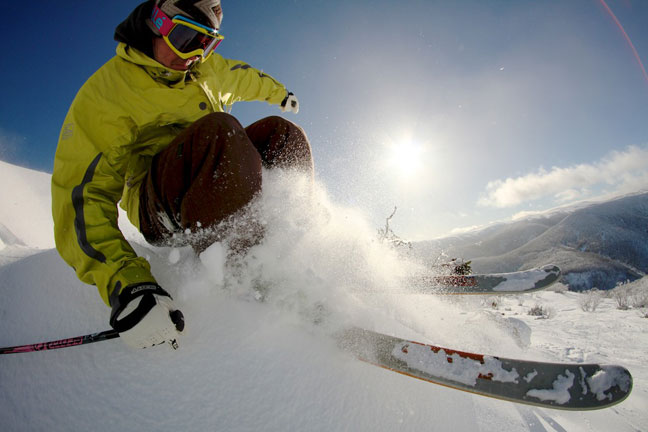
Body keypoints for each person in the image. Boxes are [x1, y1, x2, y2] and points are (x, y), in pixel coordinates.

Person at [51, 0, 313, 351]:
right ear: (156, 21)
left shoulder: (207, 69)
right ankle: (245, 271)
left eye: (208, 44)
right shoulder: (108, 94)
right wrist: (127, 284)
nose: (194, 55)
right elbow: (82, 197)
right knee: (221, 131)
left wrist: (281, 94)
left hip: (215, 181)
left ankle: (290, 252)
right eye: (186, 37)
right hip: (159, 206)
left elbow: (244, 76)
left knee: (284, 135)